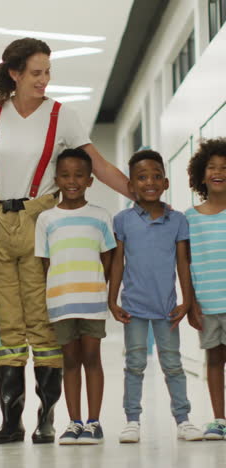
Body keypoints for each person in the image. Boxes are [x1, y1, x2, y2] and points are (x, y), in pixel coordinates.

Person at [0, 37, 130, 445]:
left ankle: (46, 419)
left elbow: (101, 165)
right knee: (8, 324)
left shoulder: (63, 116)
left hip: (41, 221)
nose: (44, 80)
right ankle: (10, 421)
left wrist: (142, 196)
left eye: (47, 72)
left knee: (42, 322)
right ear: (15, 74)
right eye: (36, 73)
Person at [108, 149, 203, 443]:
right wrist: (112, 300)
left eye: (156, 176)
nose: (149, 182)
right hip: (133, 308)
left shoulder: (177, 221)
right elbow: (117, 262)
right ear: (132, 185)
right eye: (141, 177)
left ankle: (183, 419)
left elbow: (183, 264)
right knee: (134, 365)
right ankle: (132, 420)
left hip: (166, 309)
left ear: (165, 183)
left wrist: (186, 301)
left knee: (173, 365)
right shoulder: (123, 220)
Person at [35, 148, 116, 445]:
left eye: (79, 175)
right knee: (70, 361)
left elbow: (108, 257)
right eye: (66, 175)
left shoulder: (100, 216)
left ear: (90, 180)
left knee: (92, 358)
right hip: (60, 303)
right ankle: (74, 422)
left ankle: (94, 423)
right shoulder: (46, 219)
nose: (72, 181)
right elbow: (45, 262)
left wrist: (97, 286)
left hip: (92, 301)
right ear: (56, 180)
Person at [186, 138, 226, 440]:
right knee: (213, 360)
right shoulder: (189, 218)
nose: (218, 172)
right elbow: (186, 266)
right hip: (207, 304)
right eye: (212, 167)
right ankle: (219, 419)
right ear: (201, 175)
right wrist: (191, 304)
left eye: (225, 167)